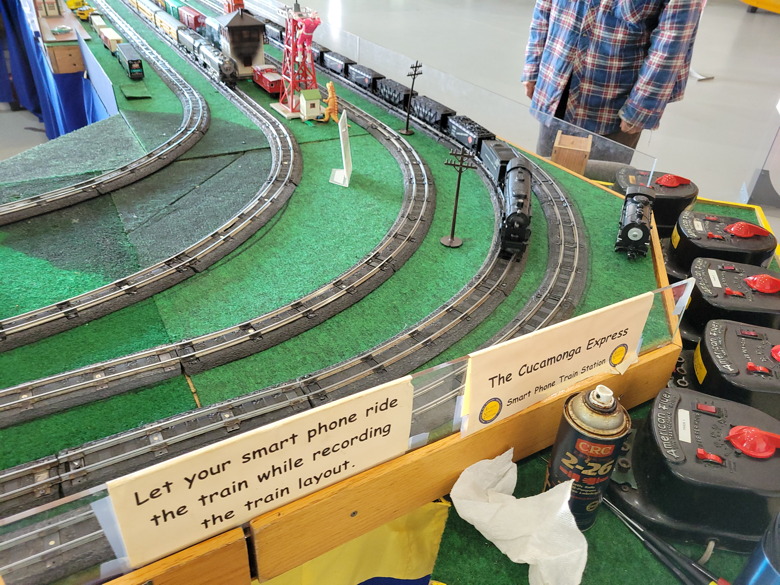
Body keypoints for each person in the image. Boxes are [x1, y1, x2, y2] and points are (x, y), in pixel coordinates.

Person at [521, 0, 704, 161]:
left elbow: (672, 41)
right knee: (546, 179)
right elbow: (543, 8)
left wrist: (641, 108)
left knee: (600, 184)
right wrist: (533, 66)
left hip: (614, 106)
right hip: (557, 88)